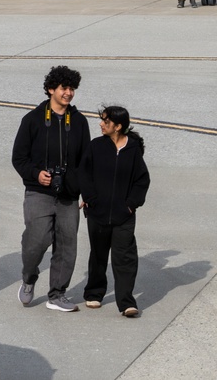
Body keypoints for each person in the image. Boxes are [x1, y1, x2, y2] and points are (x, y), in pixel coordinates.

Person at [12, 66, 92, 312]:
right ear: (50, 89)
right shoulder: (32, 120)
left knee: (67, 245)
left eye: (72, 88)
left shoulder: (79, 121)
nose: (68, 93)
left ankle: (57, 294)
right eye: (63, 88)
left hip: (69, 194)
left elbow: (86, 161)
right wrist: (36, 174)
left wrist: (87, 193)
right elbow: (19, 158)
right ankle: (29, 278)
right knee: (36, 241)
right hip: (39, 192)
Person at [78, 105, 150, 317]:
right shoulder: (95, 146)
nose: (101, 124)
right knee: (98, 255)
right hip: (97, 213)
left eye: (106, 121)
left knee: (125, 257)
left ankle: (126, 302)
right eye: (102, 120)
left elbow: (142, 180)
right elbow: (84, 174)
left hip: (124, 215)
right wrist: (91, 199)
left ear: (118, 126)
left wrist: (130, 205)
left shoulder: (133, 150)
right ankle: (94, 293)